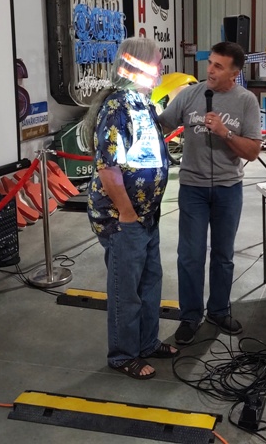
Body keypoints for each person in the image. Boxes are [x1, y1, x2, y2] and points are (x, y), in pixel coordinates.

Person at [82, 37, 177, 380]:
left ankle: (147, 342)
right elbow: (109, 168)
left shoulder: (143, 104)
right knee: (127, 289)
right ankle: (123, 355)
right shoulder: (117, 107)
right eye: (156, 62)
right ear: (134, 65)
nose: (161, 69)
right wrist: (126, 213)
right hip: (122, 217)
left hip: (144, 215)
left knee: (150, 282)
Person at [158, 41, 262, 345]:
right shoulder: (191, 94)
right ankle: (190, 316)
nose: (210, 70)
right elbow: (162, 124)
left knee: (223, 255)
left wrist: (225, 133)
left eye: (218, 66)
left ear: (234, 73)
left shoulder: (246, 102)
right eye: (210, 63)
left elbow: (253, 151)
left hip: (229, 190)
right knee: (189, 255)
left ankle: (218, 310)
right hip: (193, 189)